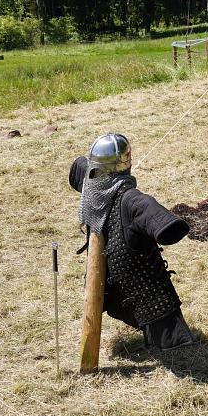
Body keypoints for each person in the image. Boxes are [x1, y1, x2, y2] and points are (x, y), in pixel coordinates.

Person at [69, 133, 195, 350]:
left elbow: (162, 222)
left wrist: (170, 226)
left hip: (147, 298)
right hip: (109, 287)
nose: (91, 176)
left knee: (172, 344)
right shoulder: (94, 186)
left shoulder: (131, 201)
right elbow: (79, 170)